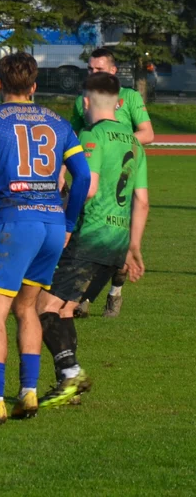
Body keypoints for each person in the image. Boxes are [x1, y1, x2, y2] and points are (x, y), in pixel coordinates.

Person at [0, 53, 90, 426]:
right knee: (26, 308)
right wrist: (67, 223)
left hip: (16, 221)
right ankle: (27, 393)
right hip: (50, 225)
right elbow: (82, 176)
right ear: (33, 87)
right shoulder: (59, 122)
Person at [37, 73, 149, 408]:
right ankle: (68, 381)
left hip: (90, 236)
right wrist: (134, 247)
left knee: (42, 307)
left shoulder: (92, 135)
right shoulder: (133, 142)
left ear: (86, 102)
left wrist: (65, 221)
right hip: (117, 241)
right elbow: (142, 201)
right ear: (118, 102)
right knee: (67, 309)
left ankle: (71, 373)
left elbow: (89, 188)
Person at [68, 47, 153, 319]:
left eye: (99, 69)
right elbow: (72, 137)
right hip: (91, 174)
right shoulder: (83, 100)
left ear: (114, 71)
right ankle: (81, 299)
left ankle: (114, 293)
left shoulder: (127, 97)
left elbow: (147, 133)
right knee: (89, 237)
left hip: (121, 179)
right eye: (90, 69)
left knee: (116, 242)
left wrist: (116, 148)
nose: (94, 73)